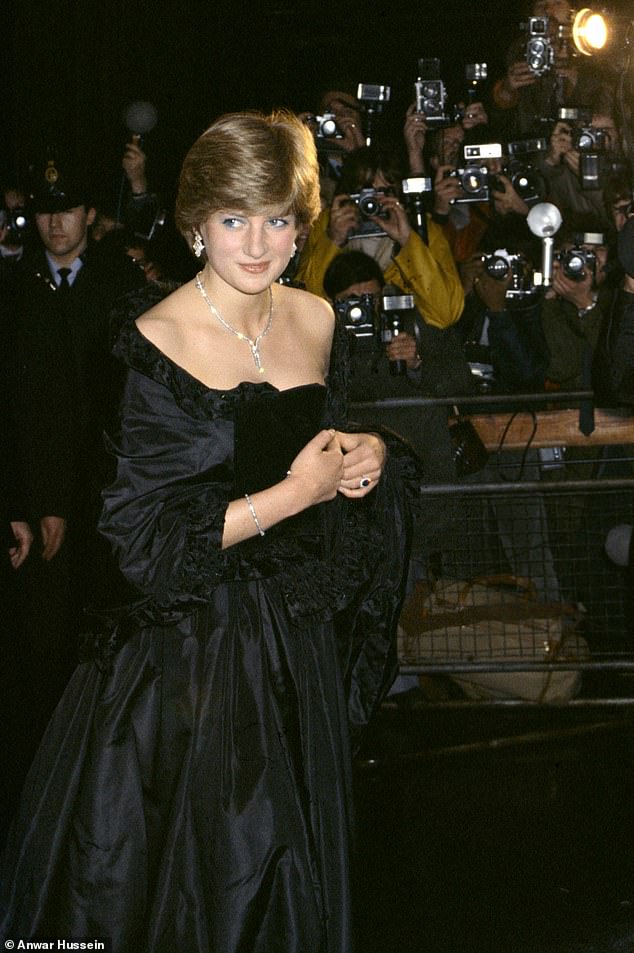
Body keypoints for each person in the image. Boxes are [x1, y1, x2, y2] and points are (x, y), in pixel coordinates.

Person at [0, 109, 413, 953]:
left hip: (294, 646)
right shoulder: (154, 339)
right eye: (233, 219)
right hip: (185, 660)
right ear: (194, 224)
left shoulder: (315, 319)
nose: (256, 244)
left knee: (295, 883)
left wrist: (367, 453)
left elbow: (328, 443)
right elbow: (137, 539)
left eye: (276, 219)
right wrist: (297, 493)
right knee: (215, 885)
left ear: (301, 224)